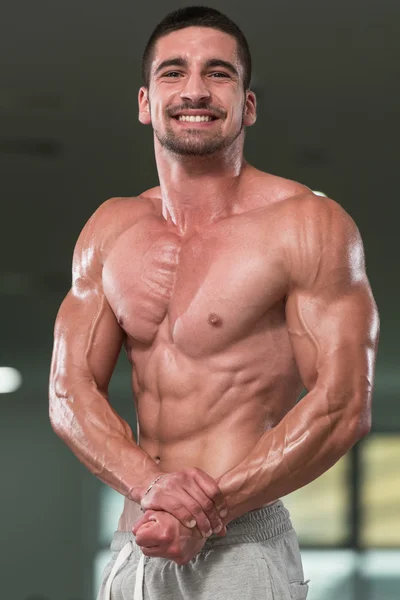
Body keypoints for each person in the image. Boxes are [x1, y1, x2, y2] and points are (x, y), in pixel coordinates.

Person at [49, 5, 379, 600]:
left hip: (241, 543)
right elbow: (68, 390)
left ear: (247, 104)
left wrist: (205, 511)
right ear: (146, 102)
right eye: (173, 72)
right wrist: (150, 489)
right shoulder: (110, 228)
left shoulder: (307, 224)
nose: (195, 89)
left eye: (219, 73)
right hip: (136, 542)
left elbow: (342, 402)